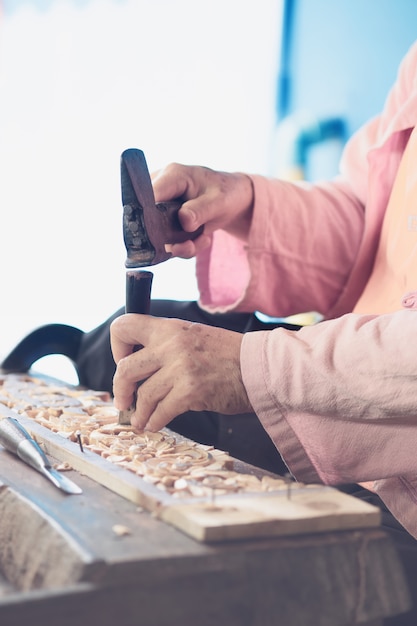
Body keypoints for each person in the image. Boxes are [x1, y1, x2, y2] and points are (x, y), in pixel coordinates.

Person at [80, 41, 417, 624]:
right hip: (368, 419)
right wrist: (245, 203)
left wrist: (251, 368)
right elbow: (375, 221)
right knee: (115, 348)